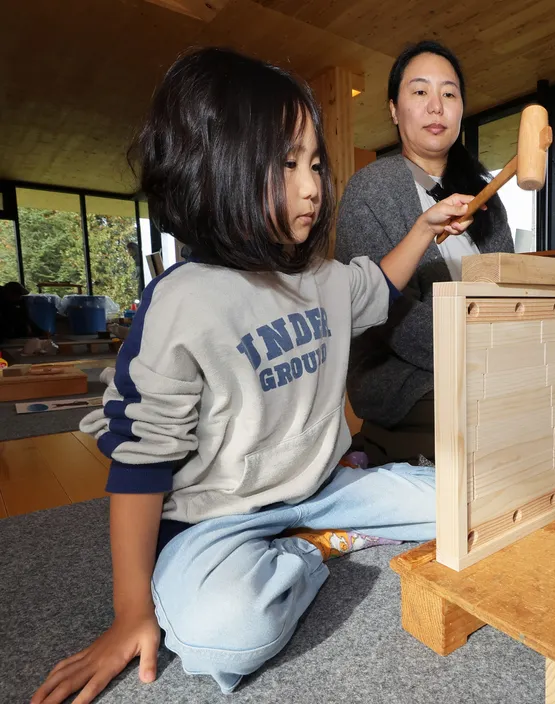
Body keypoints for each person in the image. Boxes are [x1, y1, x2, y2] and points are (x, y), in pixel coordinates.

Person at [31, 48, 475, 704]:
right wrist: (131, 614)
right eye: (287, 165)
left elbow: (377, 283)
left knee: (471, 504)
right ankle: (308, 551)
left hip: (324, 490)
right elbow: (139, 463)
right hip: (215, 521)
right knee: (222, 634)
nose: (311, 186)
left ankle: (316, 533)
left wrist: (425, 229)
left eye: (315, 164)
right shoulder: (183, 303)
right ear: (214, 173)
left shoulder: (321, 280)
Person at [335, 40, 514, 466]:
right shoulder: (370, 191)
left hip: (478, 366)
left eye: (449, 94)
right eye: (420, 92)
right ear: (395, 110)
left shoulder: (486, 194)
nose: (437, 106)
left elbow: (504, 289)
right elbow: (388, 317)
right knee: (497, 424)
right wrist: (480, 363)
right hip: (406, 377)